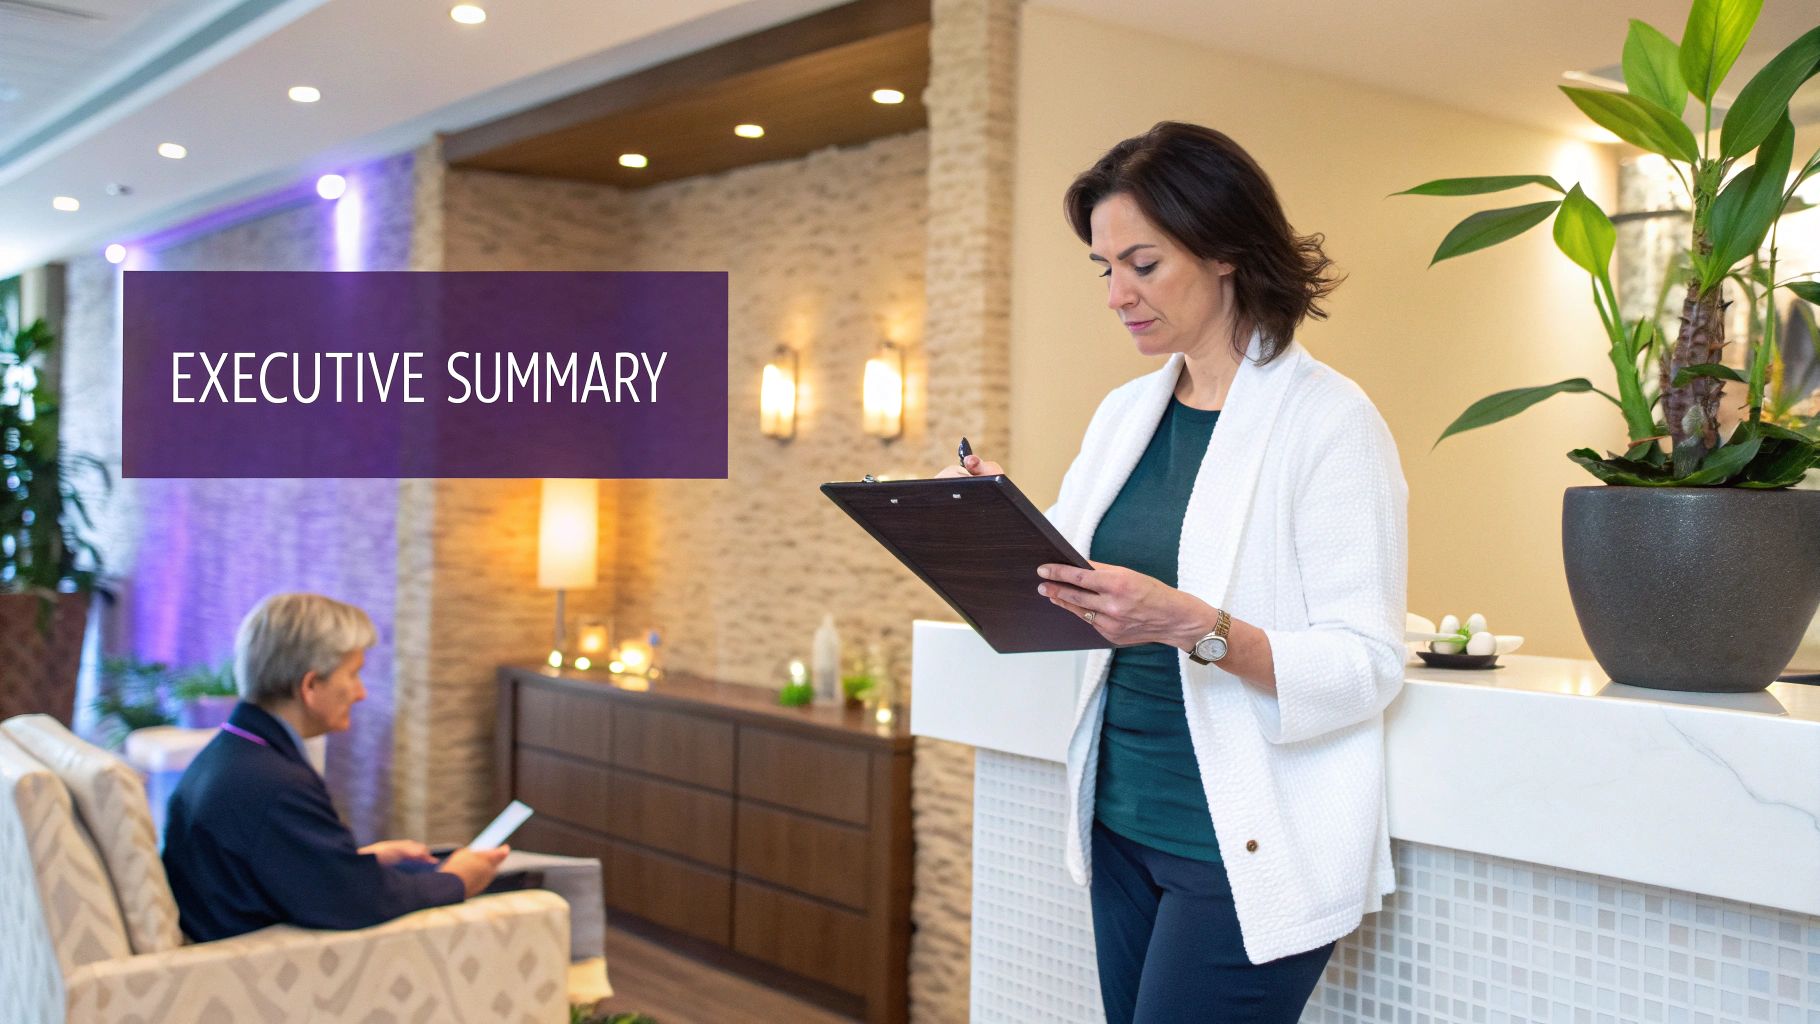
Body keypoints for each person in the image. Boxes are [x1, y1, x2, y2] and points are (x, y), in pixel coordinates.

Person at [936, 122, 1407, 1023]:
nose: (1116, 294)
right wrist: (994, 527)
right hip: (1120, 822)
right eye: (1103, 268)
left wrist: (1198, 625)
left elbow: (1367, 665)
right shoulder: (1125, 415)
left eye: (1142, 265)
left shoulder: (1331, 423)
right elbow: (1072, 591)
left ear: (1226, 251)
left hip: (1242, 844)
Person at [162, 592, 509, 941]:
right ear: (311, 686)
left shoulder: (232, 753)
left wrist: (363, 860)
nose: (361, 693)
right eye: (353, 675)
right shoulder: (276, 785)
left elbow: (281, 868)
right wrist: (457, 881)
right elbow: (356, 903)